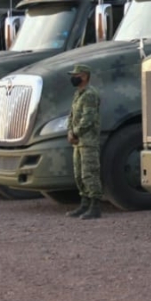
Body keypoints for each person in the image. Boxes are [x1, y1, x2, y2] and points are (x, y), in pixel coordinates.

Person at [66, 64, 103, 220]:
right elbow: (71, 115)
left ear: (85, 76)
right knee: (79, 174)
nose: (73, 77)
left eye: (77, 74)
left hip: (88, 141)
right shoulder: (78, 94)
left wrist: (75, 132)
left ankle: (95, 206)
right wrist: (69, 131)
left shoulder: (89, 94)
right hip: (78, 142)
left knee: (89, 173)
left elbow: (88, 118)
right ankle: (85, 203)